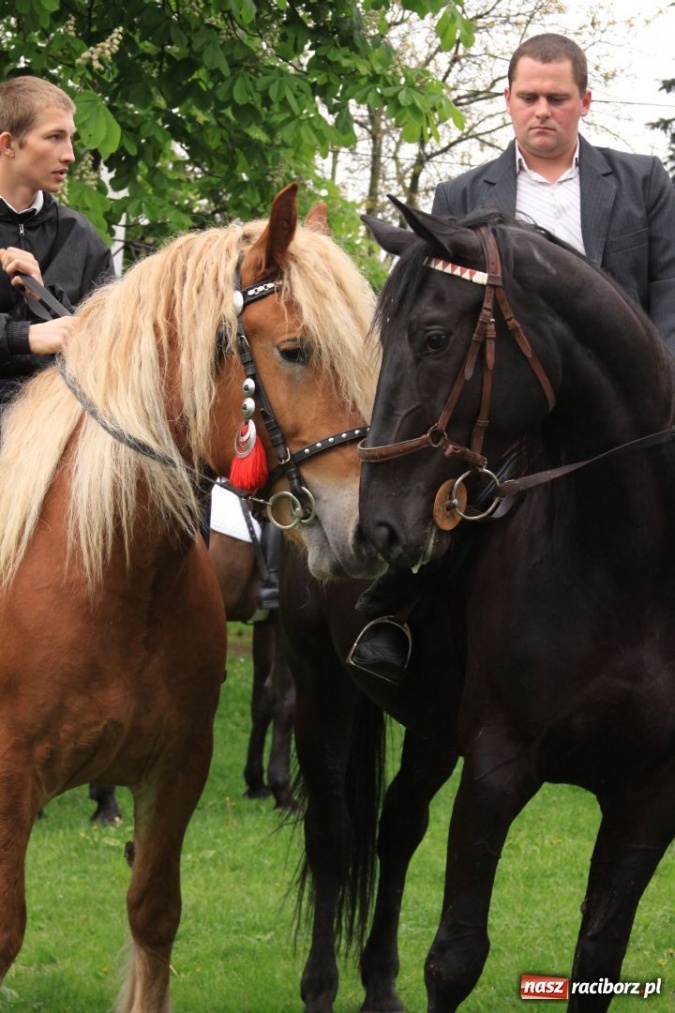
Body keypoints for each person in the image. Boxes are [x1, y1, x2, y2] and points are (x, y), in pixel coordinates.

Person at [349, 32, 675, 683]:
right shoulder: (460, 197)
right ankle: (395, 612)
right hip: (516, 407)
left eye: (556, 97)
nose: (541, 109)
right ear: (507, 101)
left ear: (584, 100)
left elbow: (668, 287)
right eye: (528, 96)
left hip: (623, 408)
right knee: (450, 488)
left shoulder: (642, 182)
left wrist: (659, 384)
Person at [0, 74, 114, 407]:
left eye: (70, 139)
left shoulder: (81, 236)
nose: (69, 155)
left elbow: (105, 341)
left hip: (59, 419)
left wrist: (43, 293)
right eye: (54, 137)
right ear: (7, 144)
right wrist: (22, 336)